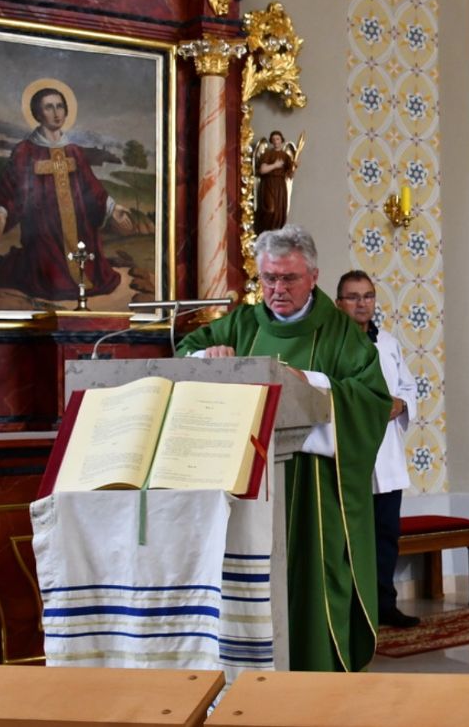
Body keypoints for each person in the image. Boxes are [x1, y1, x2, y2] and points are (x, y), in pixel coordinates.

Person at [177, 225, 391, 672]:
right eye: (268, 278)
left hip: (314, 492)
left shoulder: (339, 332)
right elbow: (186, 353)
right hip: (246, 484)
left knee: (309, 582)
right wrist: (207, 357)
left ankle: (315, 674)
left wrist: (310, 385)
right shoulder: (242, 322)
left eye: (288, 279)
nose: (276, 289)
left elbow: (372, 401)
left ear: (313, 276)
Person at [0, 86, 133, 300]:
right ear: (37, 113)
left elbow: (91, 186)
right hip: (44, 229)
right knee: (45, 272)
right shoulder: (25, 151)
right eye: (49, 107)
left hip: (79, 227)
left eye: (60, 106)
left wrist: (113, 207)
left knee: (89, 265)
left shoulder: (73, 150)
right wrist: (1, 213)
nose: (56, 113)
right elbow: (11, 186)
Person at [336, 270, 421, 629]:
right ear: (339, 303)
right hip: (348, 453)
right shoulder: (330, 344)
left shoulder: (386, 342)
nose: (361, 303)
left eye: (368, 296)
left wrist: (400, 404)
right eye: (353, 297)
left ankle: (385, 604)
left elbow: (408, 385)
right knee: (351, 538)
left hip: (385, 453)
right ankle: (354, 609)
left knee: (386, 535)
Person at [255, 131, 296, 234]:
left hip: (280, 185)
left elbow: (290, 175)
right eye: (273, 139)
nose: (275, 141)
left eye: (277, 139)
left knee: (279, 211)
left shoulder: (285, 156)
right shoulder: (268, 154)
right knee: (270, 209)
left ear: (281, 140)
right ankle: (265, 231)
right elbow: (262, 170)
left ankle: (276, 232)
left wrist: (293, 167)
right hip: (269, 183)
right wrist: (275, 165)